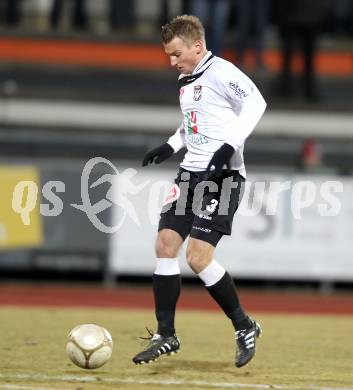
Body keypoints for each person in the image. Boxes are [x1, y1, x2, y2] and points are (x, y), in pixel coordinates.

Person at [132, 15, 266, 368]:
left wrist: (228, 147)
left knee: (197, 257)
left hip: (223, 178)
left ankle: (244, 325)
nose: (172, 62)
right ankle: (166, 334)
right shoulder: (187, 79)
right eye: (169, 56)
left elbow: (256, 103)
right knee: (164, 244)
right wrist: (170, 144)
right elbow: (193, 123)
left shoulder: (222, 71)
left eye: (176, 54)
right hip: (190, 174)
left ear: (196, 45)